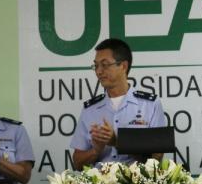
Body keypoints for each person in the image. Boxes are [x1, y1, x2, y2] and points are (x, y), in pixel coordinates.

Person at [70, 38, 166, 169]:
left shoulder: (149, 105)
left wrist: (117, 141)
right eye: (96, 65)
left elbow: (156, 158)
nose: (99, 71)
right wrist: (96, 150)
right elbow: (77, 163)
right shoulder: (90, 109)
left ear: (123, 66)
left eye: (105, 65)